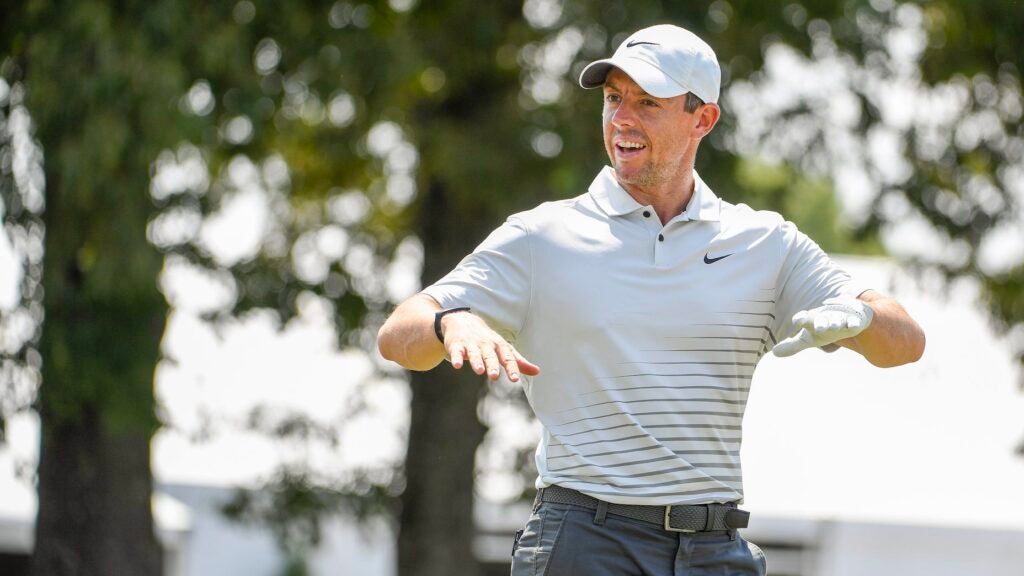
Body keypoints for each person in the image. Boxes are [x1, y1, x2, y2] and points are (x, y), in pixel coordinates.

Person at [377, 23, 925, 576]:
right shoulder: (542, 236)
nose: (621, 119)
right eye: (614, 99)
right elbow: (399, 335)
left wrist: (862, 318)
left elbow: (905, 344)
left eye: (647, 101)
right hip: (584, 541)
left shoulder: (765, 242)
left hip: (716, 548)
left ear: (702, 119)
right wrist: (450, 322)